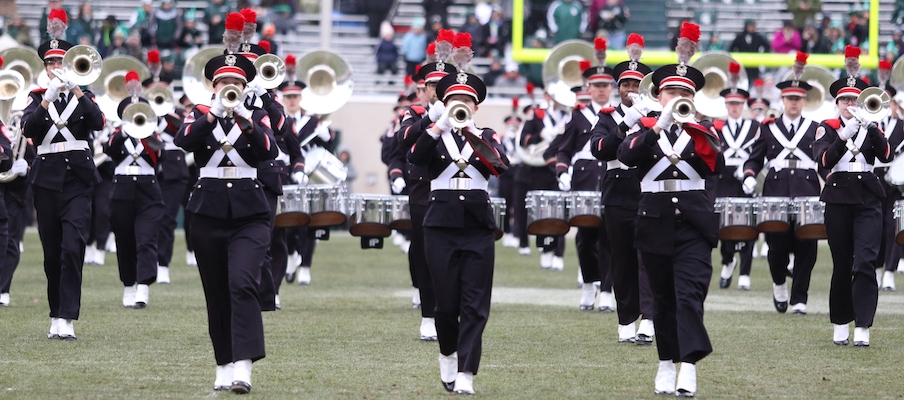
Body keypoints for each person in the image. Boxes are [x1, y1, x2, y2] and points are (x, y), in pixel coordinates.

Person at [616, 22, 722, 397]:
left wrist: (690, 124)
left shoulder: (704, 128)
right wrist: (656, 126)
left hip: (694, 224)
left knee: (689, 296)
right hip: (654, 222)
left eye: (683, 92)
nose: (677, 97)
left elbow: (715, 164)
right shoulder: (645, 127)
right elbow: (625, 156)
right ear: (659, 96)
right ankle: (665, 362)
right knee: (661, 300)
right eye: (671, 92)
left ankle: (689, 367)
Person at [407, 32, 508, 395]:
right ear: (444, 102)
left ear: (476, 106)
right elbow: (415, 159)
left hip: (478, 226)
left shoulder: (486, 134)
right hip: (439, 225)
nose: (461, 105)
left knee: (476, 304)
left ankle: (466, 371)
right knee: (446, 303)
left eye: (467, 101)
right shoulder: (435, 136)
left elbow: (500, 166)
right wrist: (438, 126)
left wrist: (472, 132)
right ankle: (448, 356)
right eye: (455, 100)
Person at [174, 47, 277, 393]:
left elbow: (268, 150)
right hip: (208, 210)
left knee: (242, 283)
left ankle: (244, 365)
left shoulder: (258, 115)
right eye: (224, 83)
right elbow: (183, 141)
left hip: (250, 213)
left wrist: (246, 121)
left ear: (246, 86)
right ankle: (224, 362)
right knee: (216, 291)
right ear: (213, 87)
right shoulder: (199, 113)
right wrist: (211, 116)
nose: (230, 87)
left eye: (236, 82)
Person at [22, 9, 105, 340]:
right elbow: (30, 130)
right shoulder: (35, 99)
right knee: (52, 251)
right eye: (51, 63)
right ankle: (55, 313)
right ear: (44, 67)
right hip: (46, 181)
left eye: (60, 62)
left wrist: (78, 90)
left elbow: (98, 123)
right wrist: (46, 102)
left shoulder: (86, 96)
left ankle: (67, 317)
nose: (55, 68)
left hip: (78, 181)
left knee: (73, 247)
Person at [814, 46, 891, 347]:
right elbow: (823, 161)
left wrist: (870, 126)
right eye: (844, 99)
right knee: (842, 263)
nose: (849, 104)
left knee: (866, 262)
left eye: (853, 99)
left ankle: (863, 324)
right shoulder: (828, 128)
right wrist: (845, 134)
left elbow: (885, 155)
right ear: (836, 102)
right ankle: (840, 321)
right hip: (838, 198)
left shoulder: (873, 125)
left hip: (869, 199)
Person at [742, 51, 821, 315]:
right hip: (775, 192)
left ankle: (800, 298)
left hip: (807, 190)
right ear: (782, 99)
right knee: (776, 246)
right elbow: (754, 159)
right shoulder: (768, 128)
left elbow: (824, 160)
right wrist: (749, 175)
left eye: (798, 98)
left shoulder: (815, 128)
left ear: (804, 100)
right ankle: (779, 285)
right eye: (789, 98)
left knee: (806, 248)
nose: (794, 103)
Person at [589, 32, 655, 343]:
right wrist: (627, 121)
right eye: (625, 85)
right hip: (617, 195)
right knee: (622, 260)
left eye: (635, 84)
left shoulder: (658, 117)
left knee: (650, 256)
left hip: (648, 192)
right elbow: (600, 149)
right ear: (618, 89)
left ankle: (650, 320)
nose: (630, 90)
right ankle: (626, 321)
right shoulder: (606, 118)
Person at [395, 39, 458, 340]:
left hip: (455, 190)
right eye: (430, 84)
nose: (434, 89)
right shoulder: (415, 113)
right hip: (423, 191)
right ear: (424, 88)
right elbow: (401, 140)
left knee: (455, 252)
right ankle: (428, 314)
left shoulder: (462, 110)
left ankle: (450, 306)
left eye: (440, 84)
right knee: (424, 252)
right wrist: (428, 121)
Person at [555, 38, 612, 312]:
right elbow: (563, 151)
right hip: (585, 179)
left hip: (612, 179)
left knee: (611, 237)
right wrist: (563, 173)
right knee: (586, 237)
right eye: (597, 86)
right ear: (588, 88)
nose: (601, 90)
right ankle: (590, 283)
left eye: (605, 86)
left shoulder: (618, 116)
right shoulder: (578, 117)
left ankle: (608, 291)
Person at [105, 81, 165, 309]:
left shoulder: (153, 135)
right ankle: (129, 285)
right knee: (125, 240)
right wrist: (124, 128)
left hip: (148, 190)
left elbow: (162, 157)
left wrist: (148, 131)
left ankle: (143, 286)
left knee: (146, 239)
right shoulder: (118, 134)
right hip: (121, 190)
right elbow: (109, 149)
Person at [714, 62, 761, 291]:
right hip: (724, 181)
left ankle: (745, 272)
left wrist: (751, 173)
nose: (734, 107)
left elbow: (759, 154)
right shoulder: (716, 127)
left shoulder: (754, 127)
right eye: (730, 103)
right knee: (724, 228)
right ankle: (727, 260)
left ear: (743, 105)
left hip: (746, 179)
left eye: (738, 103)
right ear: (726, 104)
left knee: (749, 227)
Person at [0, 105, 34, 307]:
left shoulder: (23, 131)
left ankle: (3, 288)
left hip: (13, 191)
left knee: (9, 242)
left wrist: (25, 170)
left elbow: (36, 159)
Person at [876, 63, 904, 290]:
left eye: (888, 99)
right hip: (871, 181)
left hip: (894, 185)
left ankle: (889, 271)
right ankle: (874, 268)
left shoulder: (902, 125)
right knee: (872, 226)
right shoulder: (867, 124)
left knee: (893, 225)